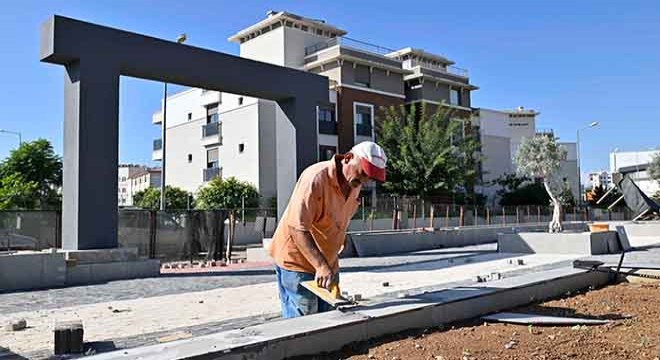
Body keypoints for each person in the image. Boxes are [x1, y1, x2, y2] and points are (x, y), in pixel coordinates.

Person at [268, 141, 387, 318]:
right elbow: (297, 228)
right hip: (297, 261)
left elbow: (338, 216)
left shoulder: (354, 184)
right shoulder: (315, 178)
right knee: (304, 321)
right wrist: (321, 266)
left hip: (328, 263)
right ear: (348, 158)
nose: (365, 181)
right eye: (363, 173)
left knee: (329, 318)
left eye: (369, 177)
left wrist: (339, 237)